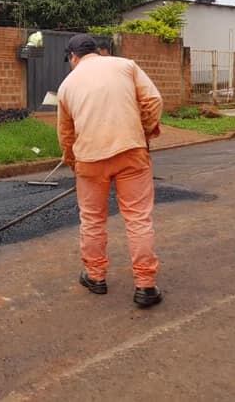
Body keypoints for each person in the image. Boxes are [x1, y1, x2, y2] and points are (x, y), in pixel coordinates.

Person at [57, 33, 165, 308]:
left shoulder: (67, 86)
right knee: (138, 219)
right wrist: (144, 132)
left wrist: (73, 162)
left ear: (73, 57)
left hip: (90, 160)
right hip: (131, 152)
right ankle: (145, 286)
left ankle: (95, 277)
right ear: (97, 50)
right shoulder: (126, 66)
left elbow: (66, 134)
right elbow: (153, 101)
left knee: (92, 219)